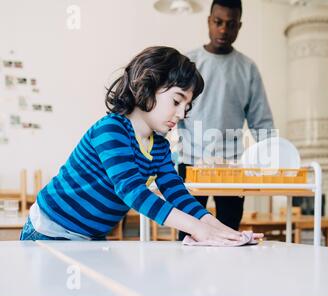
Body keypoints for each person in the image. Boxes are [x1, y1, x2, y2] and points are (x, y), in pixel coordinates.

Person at [19, 46, 258, 243]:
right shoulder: (111, 129)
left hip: (90, 236)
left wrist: (218, 228)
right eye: (176, 100)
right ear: (148, 86)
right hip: (49, 230)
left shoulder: (160, 147)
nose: (182, 113)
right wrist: (197, 229)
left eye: (187, 106)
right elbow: (132, 191)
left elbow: (176, 192)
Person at [177, 0, 275, 240]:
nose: (223, 30)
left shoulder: (247, 69)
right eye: (218, 22)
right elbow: (171, 109)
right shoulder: (188, 62)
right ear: (209, 21)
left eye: (230, 24)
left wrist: (274, 158)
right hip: (191, 163)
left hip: (232, 167)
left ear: (239, 27)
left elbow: (262, 122)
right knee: (188, 235)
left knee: (230, 233)